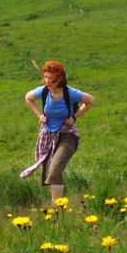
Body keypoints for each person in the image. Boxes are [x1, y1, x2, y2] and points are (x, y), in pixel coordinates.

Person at [20, 60, 95, 204]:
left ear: (60, 78)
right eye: (46, 77)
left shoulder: (70, 93)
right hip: (49, 135)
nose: (48, 81)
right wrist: (39, 115)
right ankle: (59, 211)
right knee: (51, 174)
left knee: (54, 171)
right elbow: (28, 98)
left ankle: (57, 207)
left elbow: (90, 100)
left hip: (68, 135)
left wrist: (74, 117)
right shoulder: (43, 91)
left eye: (52, 78)